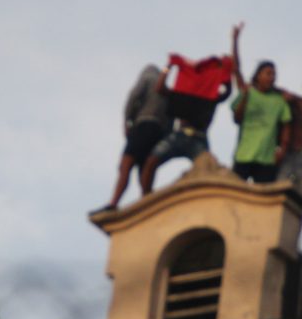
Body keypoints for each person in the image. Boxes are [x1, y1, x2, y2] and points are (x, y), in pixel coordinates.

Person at [139, 51, 232, 195]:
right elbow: (160, 88)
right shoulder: (182, 94)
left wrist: (225, 71)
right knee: (150, 162)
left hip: (199, 138)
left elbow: (227, 92)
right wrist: (168, 66)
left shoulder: (210, 96)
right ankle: (145, 198)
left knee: (209, 169)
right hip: (179, 135)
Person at [92, 64, 171, 214]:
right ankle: (147, 205)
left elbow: (133, 96)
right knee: (145, 170)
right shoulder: (167, 89)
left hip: (142, 125)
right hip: (158, 132)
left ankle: (113, 203)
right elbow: (172, 117)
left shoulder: (147, 79)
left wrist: (127, 120)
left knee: (125, 165)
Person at [229, 22, 292, 183]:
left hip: (267, 158)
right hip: (244, 154)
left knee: (262, 198)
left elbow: (286, 124)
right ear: (258, 75)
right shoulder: (248, 92)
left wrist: (282, 149)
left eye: (274, 74)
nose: (272, 77)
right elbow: (237, 118)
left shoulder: (279, 100)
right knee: (235, 192)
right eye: (268, 73)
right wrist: (235, 40)